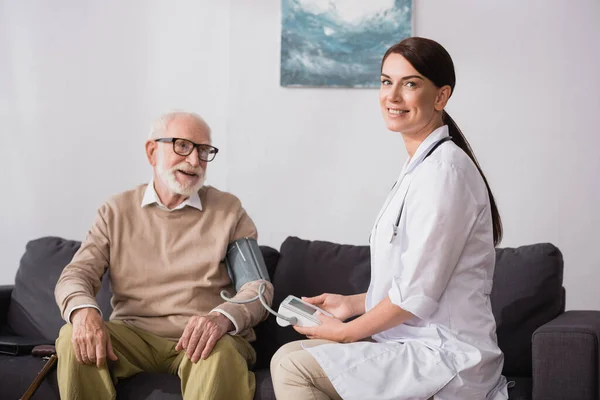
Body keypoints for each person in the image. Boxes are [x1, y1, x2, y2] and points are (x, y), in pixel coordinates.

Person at [270, 37, 509, 400]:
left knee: (292, 366)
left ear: (441, 96)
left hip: (446, 356)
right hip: (416, 343)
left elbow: (416, 294)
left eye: (410, 84)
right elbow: (417, 278)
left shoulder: (445, 173)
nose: (392, 96)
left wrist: (347, 331)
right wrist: (351, 305)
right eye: (386, 81)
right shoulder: (423, 168)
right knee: (289, 357)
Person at [54, 111, 273, 400]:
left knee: (219, 350)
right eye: (183, 146)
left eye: (204, 151)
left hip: (203, 340)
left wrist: (220, 319)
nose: (194, 161)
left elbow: (257, 288)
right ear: (152, 150)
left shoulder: (228, 211)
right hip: (134, 337)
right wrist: (83, 312)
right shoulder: (115, 211)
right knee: (71, 338)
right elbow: (77, 274)